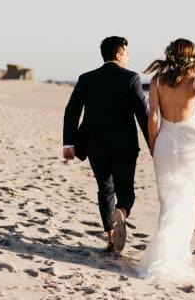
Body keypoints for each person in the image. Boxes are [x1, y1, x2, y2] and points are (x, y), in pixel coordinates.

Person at [137, 38, 195, 280]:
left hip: (165, 141)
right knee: (186, 198)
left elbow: (153, 115)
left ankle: (165, 254)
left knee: (168, 201)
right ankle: (178, 253)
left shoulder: (157, 80)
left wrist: (153, 144)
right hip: (188, 143)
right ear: (192, 56)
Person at [63, 36, 149, 253]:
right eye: (127, 53)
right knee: (126, 191)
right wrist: (153, 144)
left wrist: (69, 143)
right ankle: (122, 211)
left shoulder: (86, 78)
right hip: (125, 144)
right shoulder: (131, 78)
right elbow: (142, 114)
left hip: (95, 144)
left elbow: (72, 111)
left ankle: (111, 238)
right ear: (119, 55)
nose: (128, 57)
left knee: (105, 189)